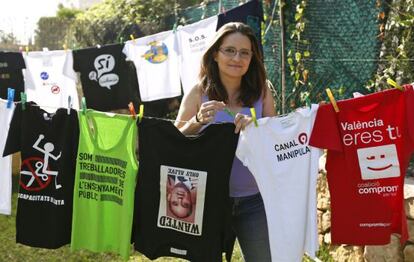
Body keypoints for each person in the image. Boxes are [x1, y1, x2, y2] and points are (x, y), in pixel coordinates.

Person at [175, 22, 276, 261]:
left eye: (245, 52)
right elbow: (175, 138)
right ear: (215, 54)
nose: (237, 58)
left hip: (255, 198)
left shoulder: (262, 92)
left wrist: (257, 127)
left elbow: (274, 137)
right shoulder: (199, 92)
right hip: (206, 199)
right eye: (229, 50)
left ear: (253, 58)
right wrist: (198, 120)